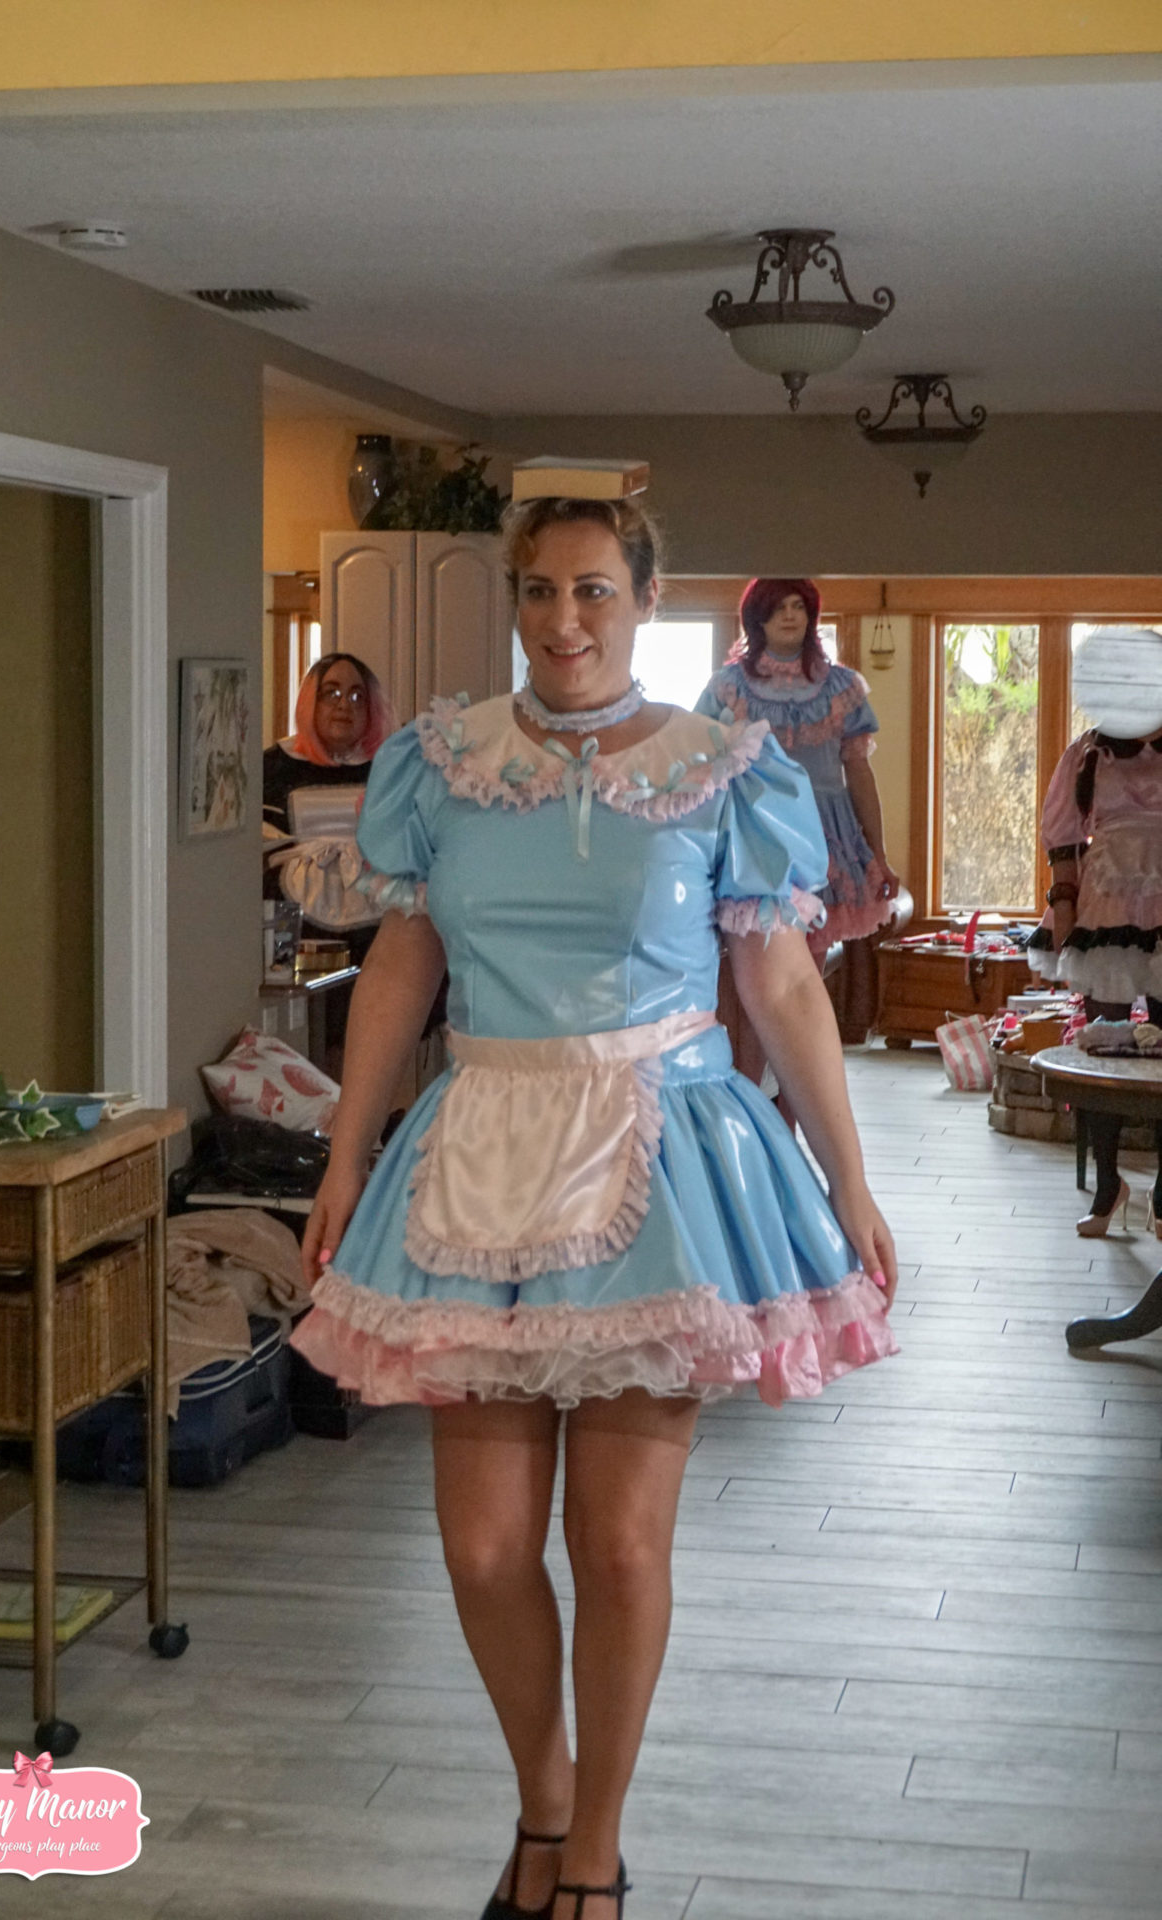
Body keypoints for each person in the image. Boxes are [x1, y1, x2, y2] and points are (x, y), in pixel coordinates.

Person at [293, 498, 898, 1920]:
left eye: (591, 592)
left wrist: (850, 1176)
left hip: (661, 1157)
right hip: (479, 1151)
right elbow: (403, 962)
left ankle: (596, 1848)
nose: (562, 620)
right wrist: (344, 1150)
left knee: (618, 1546)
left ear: (643, 598)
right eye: (538, 591)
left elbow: (780, 982)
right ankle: (545, 1797)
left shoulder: (720, 766)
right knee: (483, 1546)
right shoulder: (444, 764)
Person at [695, 579, 900, 1121]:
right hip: (752, 843)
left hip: (824, 848)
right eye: (778, 607)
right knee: (747, 994)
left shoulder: (841, 688)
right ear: (755, 619)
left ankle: (787, 1127)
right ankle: (747, 1121)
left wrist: (878, 853)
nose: (790, 616)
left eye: (799, 607)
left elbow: (859, 773)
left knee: (799, 992)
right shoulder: (728, 688)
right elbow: (702, 769)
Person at [1028, 686, 1162, 1238]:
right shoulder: (1087, 753)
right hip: (1106, 902)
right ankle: (1109, 1185)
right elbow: (1063, 840)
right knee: (1102, 1052)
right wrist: (1063, 909)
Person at [262, 652, 394, 836]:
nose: (344, 705)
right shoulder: (273, 767)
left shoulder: (389, 770)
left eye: (357, 696)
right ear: (310, 701)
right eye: (332, 693)